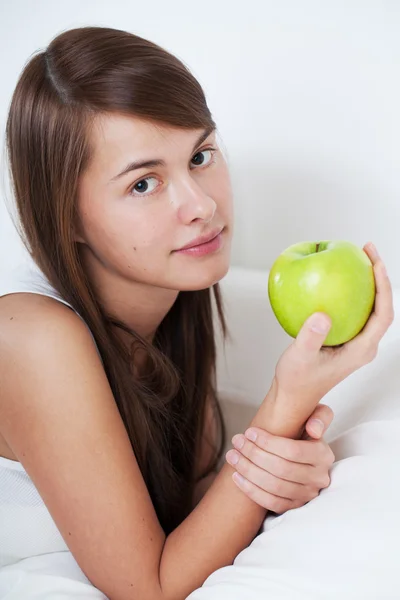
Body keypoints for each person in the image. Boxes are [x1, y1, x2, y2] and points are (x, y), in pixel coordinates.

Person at [0, 26, 393, 600]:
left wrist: (276, 479)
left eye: (201, 156)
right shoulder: (30, 337)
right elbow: (150, 589)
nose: (201, 205)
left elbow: (196, 512)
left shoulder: (171, 306)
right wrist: (285, 403)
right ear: (66, 219)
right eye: (143, 184)